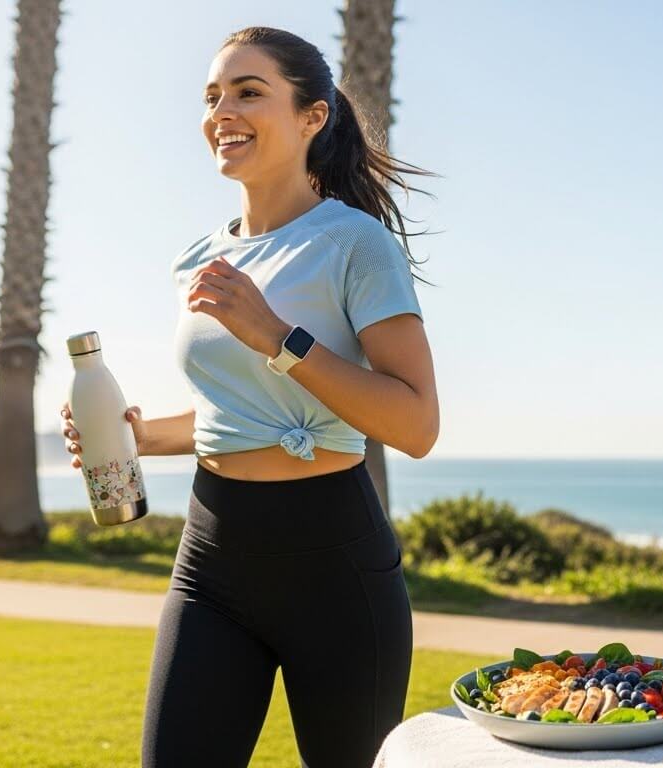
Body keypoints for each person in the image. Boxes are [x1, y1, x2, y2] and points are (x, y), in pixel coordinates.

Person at [59, 26, 438, 768]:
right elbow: (237, 414)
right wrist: (134, 436)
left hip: (334, 565)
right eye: (212, 96)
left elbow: (415, 423)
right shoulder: (197, 259)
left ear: (312, 117)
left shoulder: (355, 244)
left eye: (248, 92)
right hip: (213, 556)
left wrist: (276, 335)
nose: (221, 111)